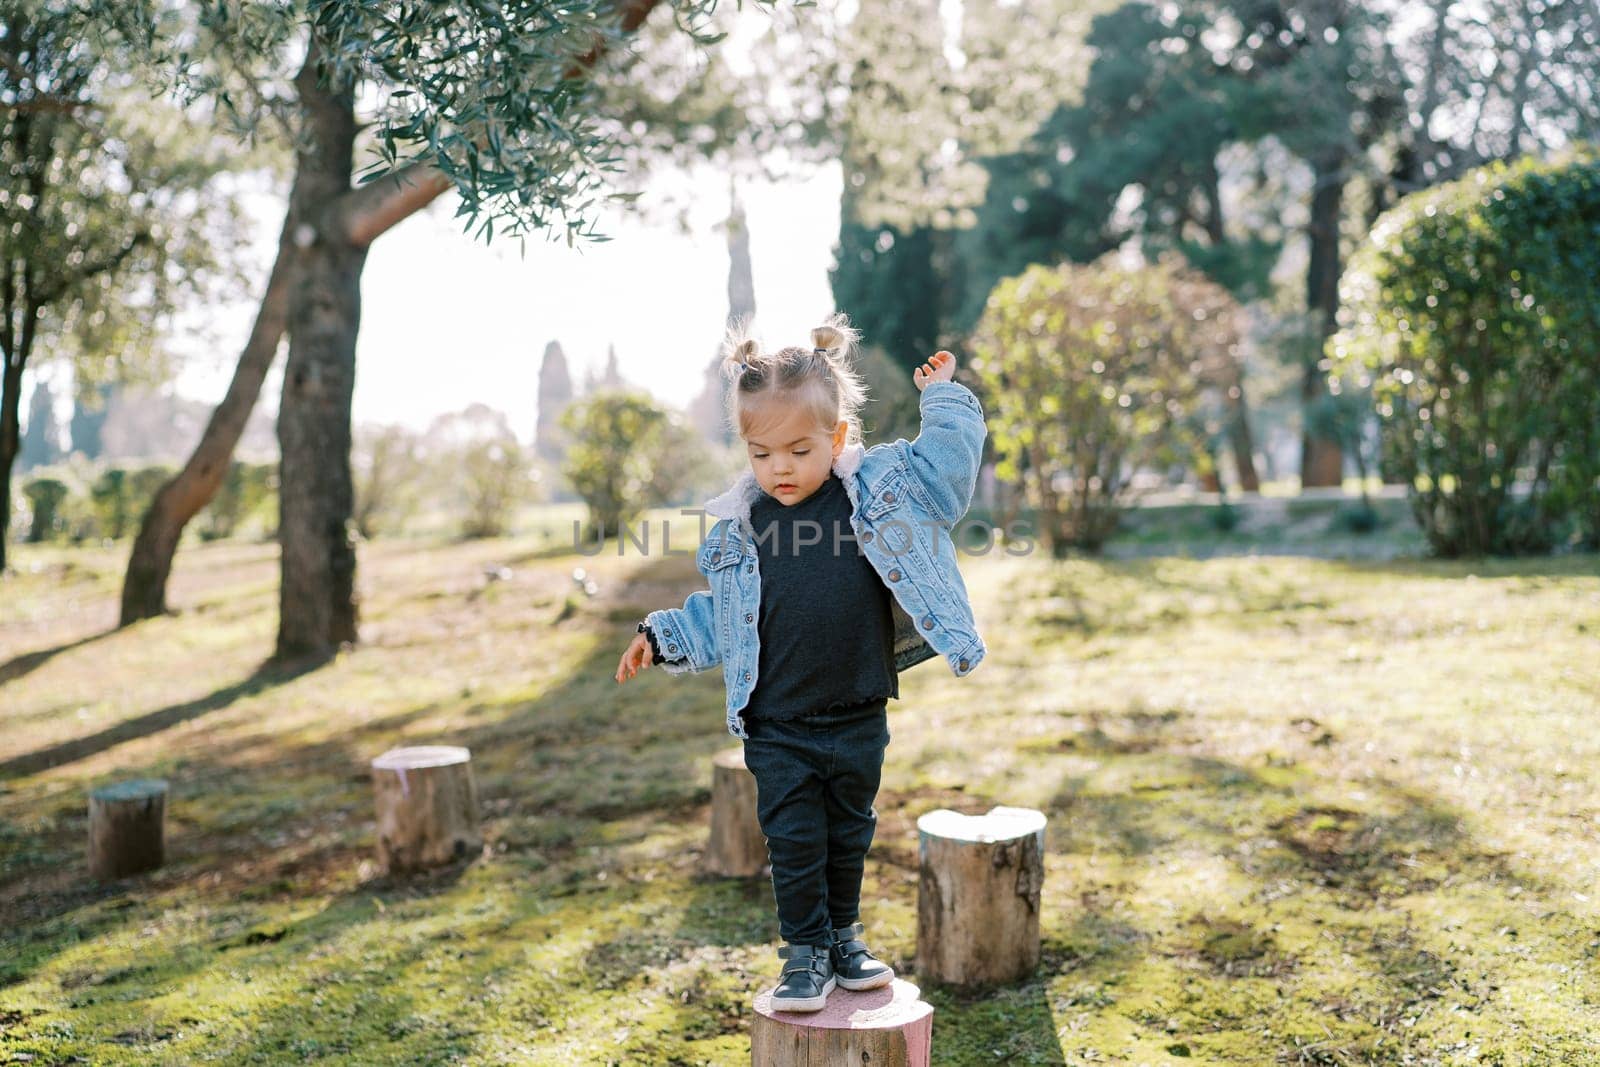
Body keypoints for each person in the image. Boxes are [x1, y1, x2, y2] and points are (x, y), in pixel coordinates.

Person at [614, 312, 989, 1012]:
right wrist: (661, 634)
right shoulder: (743, 528)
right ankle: (803, 953)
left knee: (850, 828)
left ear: (838, 437)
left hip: (858, 709)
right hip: (777, 722)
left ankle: (844, 937)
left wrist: (944, 400)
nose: (779, 468)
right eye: (761, 453)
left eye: (797, 449)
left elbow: (946, 480)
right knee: (792, 838)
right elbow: (721, 615)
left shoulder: (876, 492)